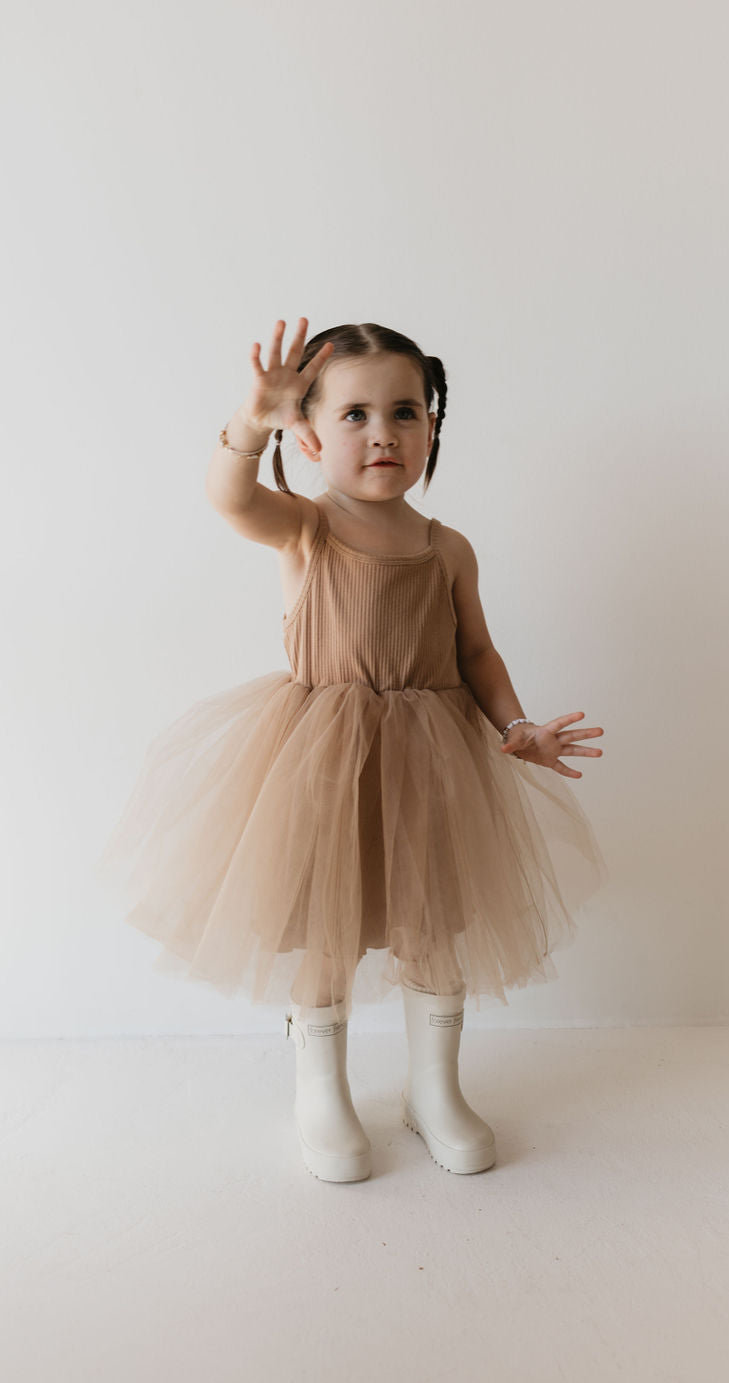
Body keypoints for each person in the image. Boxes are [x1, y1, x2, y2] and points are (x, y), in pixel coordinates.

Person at [95, 316, 609, 1183]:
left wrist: (514, 726)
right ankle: (321, 1092)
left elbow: (476, 652)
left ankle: (434, 1091)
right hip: (321, 765)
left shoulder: (449, 548)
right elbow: (230, 498)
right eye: (355, 414)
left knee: (434, 927)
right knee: (324, 932)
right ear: (307, 433)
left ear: (433, 428)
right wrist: (246, 424)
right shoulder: (306, 528)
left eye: (405, 412)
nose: (383, 433)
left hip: (434, 766)